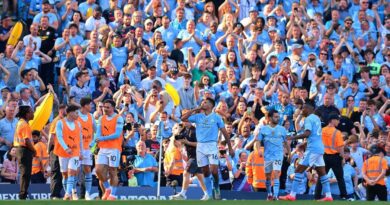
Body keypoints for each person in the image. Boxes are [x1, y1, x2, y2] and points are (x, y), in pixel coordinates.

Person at [181, 97, 235, 200]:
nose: (203, 103)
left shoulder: (216, 117)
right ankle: (209, 194)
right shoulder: (197, 116)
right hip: (200, 146)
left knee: (214, 170)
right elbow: (183, 118)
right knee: (205, 171)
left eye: (205, 102)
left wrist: (230, 148)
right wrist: (195, 109)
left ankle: (216, 187)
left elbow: (225, 132)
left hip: (212, 145)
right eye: (202, 102)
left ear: (211, 105)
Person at [280, 103, 333, 201]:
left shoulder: (308, 119)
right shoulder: (316, 118)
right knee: (322, 172)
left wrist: (293, 137)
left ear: (310, 108)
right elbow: (314, 135)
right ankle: (329, 196)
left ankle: (292, 195)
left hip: (312, 149)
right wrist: (304, 144)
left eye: (304, 108)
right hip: (319, 148)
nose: (302, 110)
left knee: (298, 170)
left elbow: (307, 133)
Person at [257, 109, 291, 200]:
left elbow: (286, 143)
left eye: (278, 117)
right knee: (268, 176)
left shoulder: (282, 129)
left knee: (276, 173)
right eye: (275, 117)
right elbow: (258, 141)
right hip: (268, 156)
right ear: (269, 117)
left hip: (278, 155)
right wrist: (259, 149)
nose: (277, 119)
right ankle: (269, 194)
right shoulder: (263, 129)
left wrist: (290, 154)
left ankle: (275, 196)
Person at [94, 99, 124, 200]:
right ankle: (107, 189)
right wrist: (96, 139)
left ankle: (113, 195)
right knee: (98, 170)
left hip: (114, 148)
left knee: (113, 172)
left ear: (112, 108)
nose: (105, 109)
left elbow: (117, 134)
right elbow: (98, 132)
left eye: (107, 107)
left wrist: (102, 138)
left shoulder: (119, 118)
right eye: (104, 107)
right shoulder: (101, 118)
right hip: (103, 148)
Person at [170, 123, 208, 200]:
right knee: (199, 176)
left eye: (186, 120)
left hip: (196, 155)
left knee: (186, 173)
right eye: (183, 120)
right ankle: (207, 194)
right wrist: (177, 132)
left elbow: (200, 144)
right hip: (195, 156)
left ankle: (183, 194)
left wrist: (188, 142)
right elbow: (177, 140)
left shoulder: (195, 131)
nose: (184, 122)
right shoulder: (185, 131)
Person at [315, 114, 347, 199]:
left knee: (321, 177)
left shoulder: (321, 130)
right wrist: (343, 158)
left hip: (323, 157)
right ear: (332, 120)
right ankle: (344, 196)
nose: (339, 122)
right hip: (335, 157)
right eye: (337, 120)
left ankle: (317, 196)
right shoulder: (337, 132)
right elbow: (340, 147)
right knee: (340, 177)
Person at [54, 105, 82, 200]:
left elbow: (80, 139)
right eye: (76, 113)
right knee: (65, 174)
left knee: (71, 172)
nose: (78, 115)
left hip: (75, 152)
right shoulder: (60, 123)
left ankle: (67, 194)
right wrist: (66, 148)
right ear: (70, 112)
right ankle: (68, 194)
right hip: (63, 152)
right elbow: (59, 136)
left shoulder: (78, 124)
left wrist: (81, 151)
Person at [13, 105, 36, 200]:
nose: (33, 113)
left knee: (25, 173)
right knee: (25, 173)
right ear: (26, 114)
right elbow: (27, 140)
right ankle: (23, 195)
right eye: (31, 112)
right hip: (24, 150)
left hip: (21, 149)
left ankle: (23, 194)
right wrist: (34, 150)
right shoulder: (24, 124)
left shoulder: (21, 123)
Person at [77, 97, 95, 200]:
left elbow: (96, 131)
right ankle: (73, 192)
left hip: (87, 148)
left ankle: (88, 193)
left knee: (88, 169)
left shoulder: (91, 116)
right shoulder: (76, 116)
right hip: (77, 148)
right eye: (90, 104)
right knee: (75, 170)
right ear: (85, 106)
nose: (91, 106)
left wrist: (93, 143)